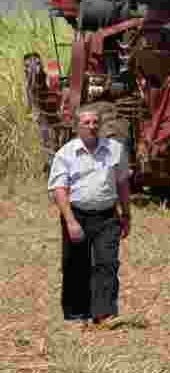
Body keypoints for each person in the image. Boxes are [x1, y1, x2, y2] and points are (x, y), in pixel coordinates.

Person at [47, 104, 132, 327]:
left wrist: (127, 214)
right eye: (87, 123)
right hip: (77, 216)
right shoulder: (65, 153)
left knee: (107, 263)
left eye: (96, 122)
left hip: (108, 217)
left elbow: (122, 182)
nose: (92, 126)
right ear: (77, 127)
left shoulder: (115, 149)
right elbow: (59, 189)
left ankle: (104, 313)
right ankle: (77, 315)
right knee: (76, 264)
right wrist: (70, 221)